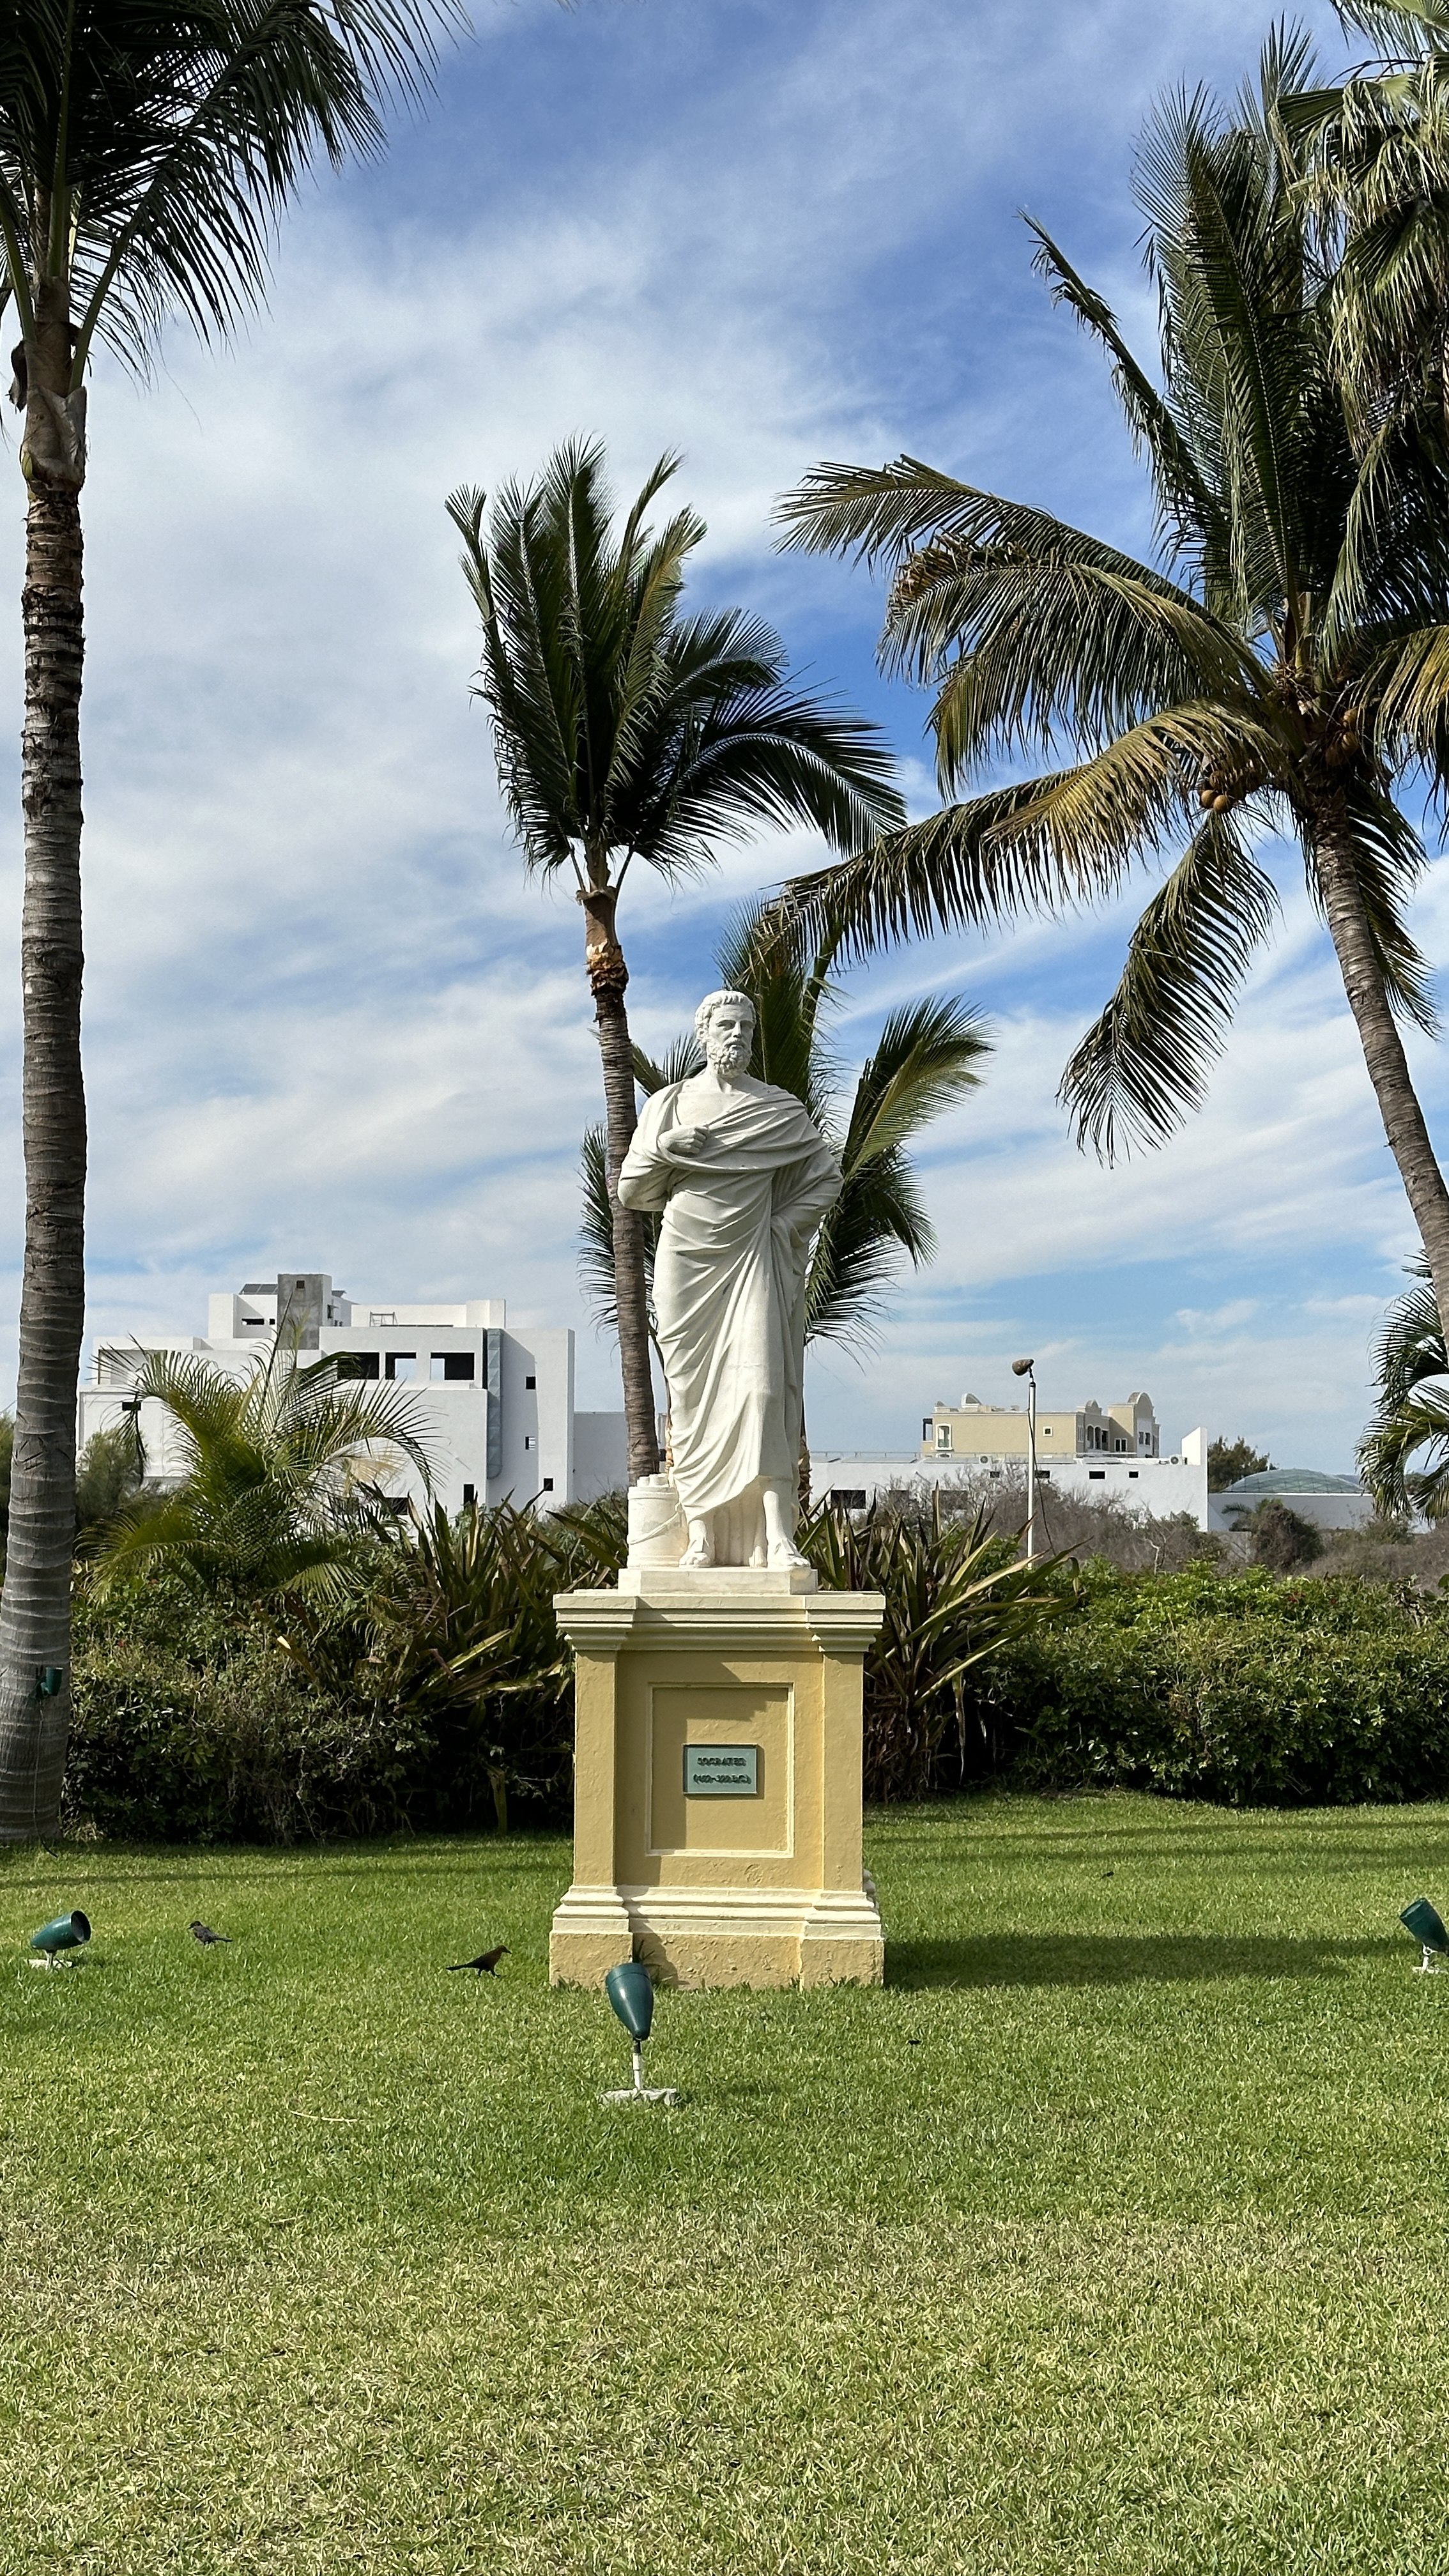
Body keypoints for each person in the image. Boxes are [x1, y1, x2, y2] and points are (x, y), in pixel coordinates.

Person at [618, 988, 841, 1567]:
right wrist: (664, 1150)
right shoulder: (669, 1106)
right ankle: (701, 1535)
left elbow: (826, 1178)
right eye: (726, 1026)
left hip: (753, 1257)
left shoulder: (778, 1110)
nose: (737, 1035)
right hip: (686, 1263)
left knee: (762, 1392)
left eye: (746, 1027)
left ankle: (777, 1535)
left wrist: (781, 1226)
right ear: (704, 1034)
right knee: (692, 1402)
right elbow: (632, 1191)